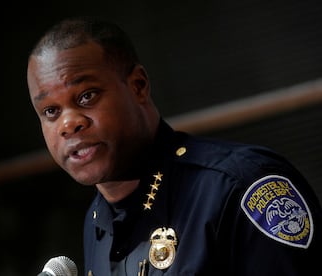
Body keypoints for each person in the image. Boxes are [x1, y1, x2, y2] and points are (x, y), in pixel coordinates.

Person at [26, 16, 322, 275]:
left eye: (87, 96)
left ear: (138, 86)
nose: (68, 124)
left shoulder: (239, 188)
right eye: (51, 112)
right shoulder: (96, 222)